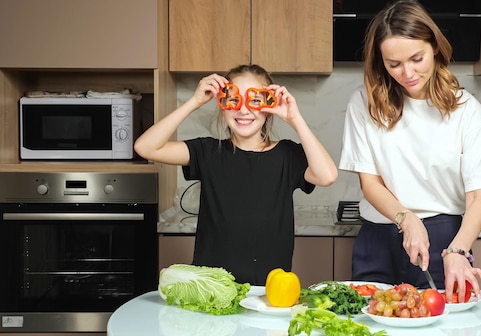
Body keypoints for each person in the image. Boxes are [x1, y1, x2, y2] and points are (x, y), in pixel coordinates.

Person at [338, 0, 481, 301]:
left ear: (434, 47)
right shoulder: (364, 102)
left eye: (416, 58)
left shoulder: (466, 110)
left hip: (445, 238)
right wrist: (406, 218)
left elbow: (478, 195)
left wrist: (458, 250)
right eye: (393, 64)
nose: (406, 73)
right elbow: (370, 183)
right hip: (379, 235)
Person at [134, 64, 338, 285]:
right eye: (233, 99)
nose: (242, 110)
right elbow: (146, 148)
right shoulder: (208, 152)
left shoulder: (287, 155)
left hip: (267, 290)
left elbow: (326, 175)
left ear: (270, 106)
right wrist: (195, 102)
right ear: (221, 104)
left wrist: (295, 119)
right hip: (212, 288)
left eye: (254, 101)